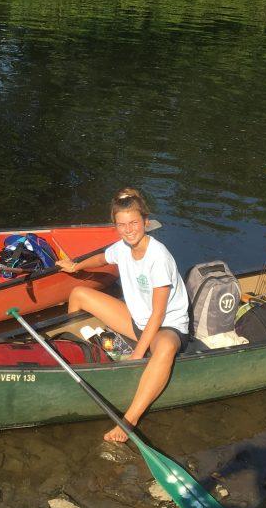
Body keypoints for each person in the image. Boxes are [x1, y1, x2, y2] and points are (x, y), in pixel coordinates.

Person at [56, 188, 190, 442]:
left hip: (167, 328)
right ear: (116, 226)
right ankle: (80, 351)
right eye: (122, 225)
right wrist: (76, 265)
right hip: (137, 321)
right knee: (79, 294)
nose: (129, 230)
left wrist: (138, 354)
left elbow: (159, 314)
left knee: (163, 350)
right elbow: (101, 258)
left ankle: (128, 421)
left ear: (146, 222)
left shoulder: (158, 257)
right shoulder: (121, 247)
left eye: (134, 223)